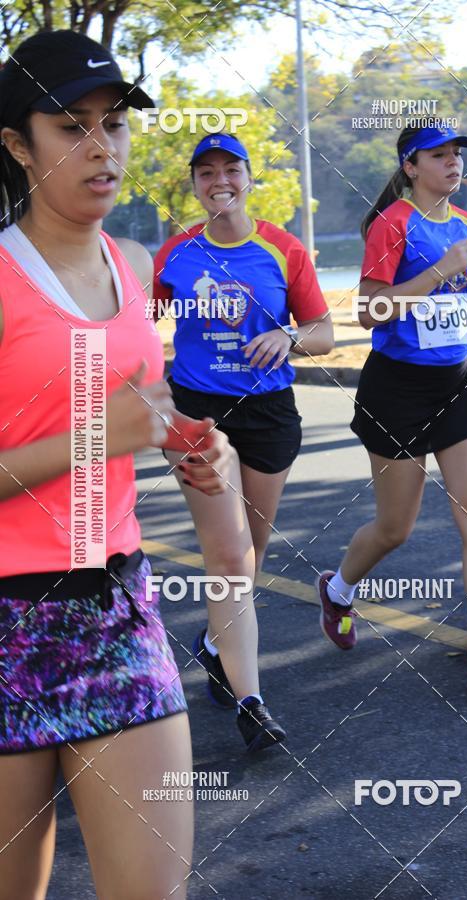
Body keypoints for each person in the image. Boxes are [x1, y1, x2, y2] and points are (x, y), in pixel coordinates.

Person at [0, 30, 235, 900]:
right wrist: (107, 434)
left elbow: (146, 413)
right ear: (19, 145)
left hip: (116, 610)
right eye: (72, 127)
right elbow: (105, 428)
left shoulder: (133, 265)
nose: (103, 147)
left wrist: (191, 446)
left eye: (116, 124)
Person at [315, 124, 467, 691]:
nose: (452, 163)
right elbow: (369, 312)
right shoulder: (393, 224)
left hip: (461, 381)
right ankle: (338, 590)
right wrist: (438, 271)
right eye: (438, 156)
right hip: (398, 390)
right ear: (411, 167)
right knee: (396, 527)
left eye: (456, 155)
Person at [153, 131, 334, 748]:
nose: (219, 181)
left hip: (269, 413)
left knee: (249, 552)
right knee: (228, 557)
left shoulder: (283, 248)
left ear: (249, 177)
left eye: (231, 169)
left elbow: (324, 332)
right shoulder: (175, 253)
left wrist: (288, 336)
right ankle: (251, 703)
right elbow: (141, 329)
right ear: (194, 184)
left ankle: (213, 645)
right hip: (198, 415)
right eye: (206, 172)